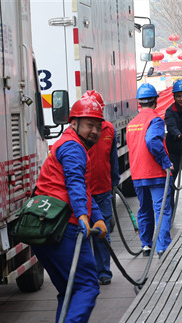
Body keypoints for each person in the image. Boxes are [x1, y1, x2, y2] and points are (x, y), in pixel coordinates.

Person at [32, 94, 108, 323]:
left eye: (98, 126)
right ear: (73, 123)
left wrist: (97, 218)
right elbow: (75, 185)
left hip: (44, 228)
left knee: (68, 290)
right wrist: (84, 218)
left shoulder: (66, 144)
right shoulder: (74, 148)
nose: (94, 131)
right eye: (89, 125)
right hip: (63, 227)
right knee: (87, 285)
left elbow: (82, 189)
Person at [125, 83, 173, 256]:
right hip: (156, 173)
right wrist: (165, 162)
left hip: (138, 174)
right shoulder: (155, 120)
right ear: (155, 101)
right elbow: (152, 141)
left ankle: (146, 245)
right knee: (161, 210)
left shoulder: (132, 124)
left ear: (139, 102)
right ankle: (162, 247)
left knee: (144, 209)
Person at [82, 90, 120, 286]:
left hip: (103, 190)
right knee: (83, 234)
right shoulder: (76, 133)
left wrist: (115, 181)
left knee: (102, 233)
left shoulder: (109, 129)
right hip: (84, 192)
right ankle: (88, 274)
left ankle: (104, 272)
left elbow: (113, 159)